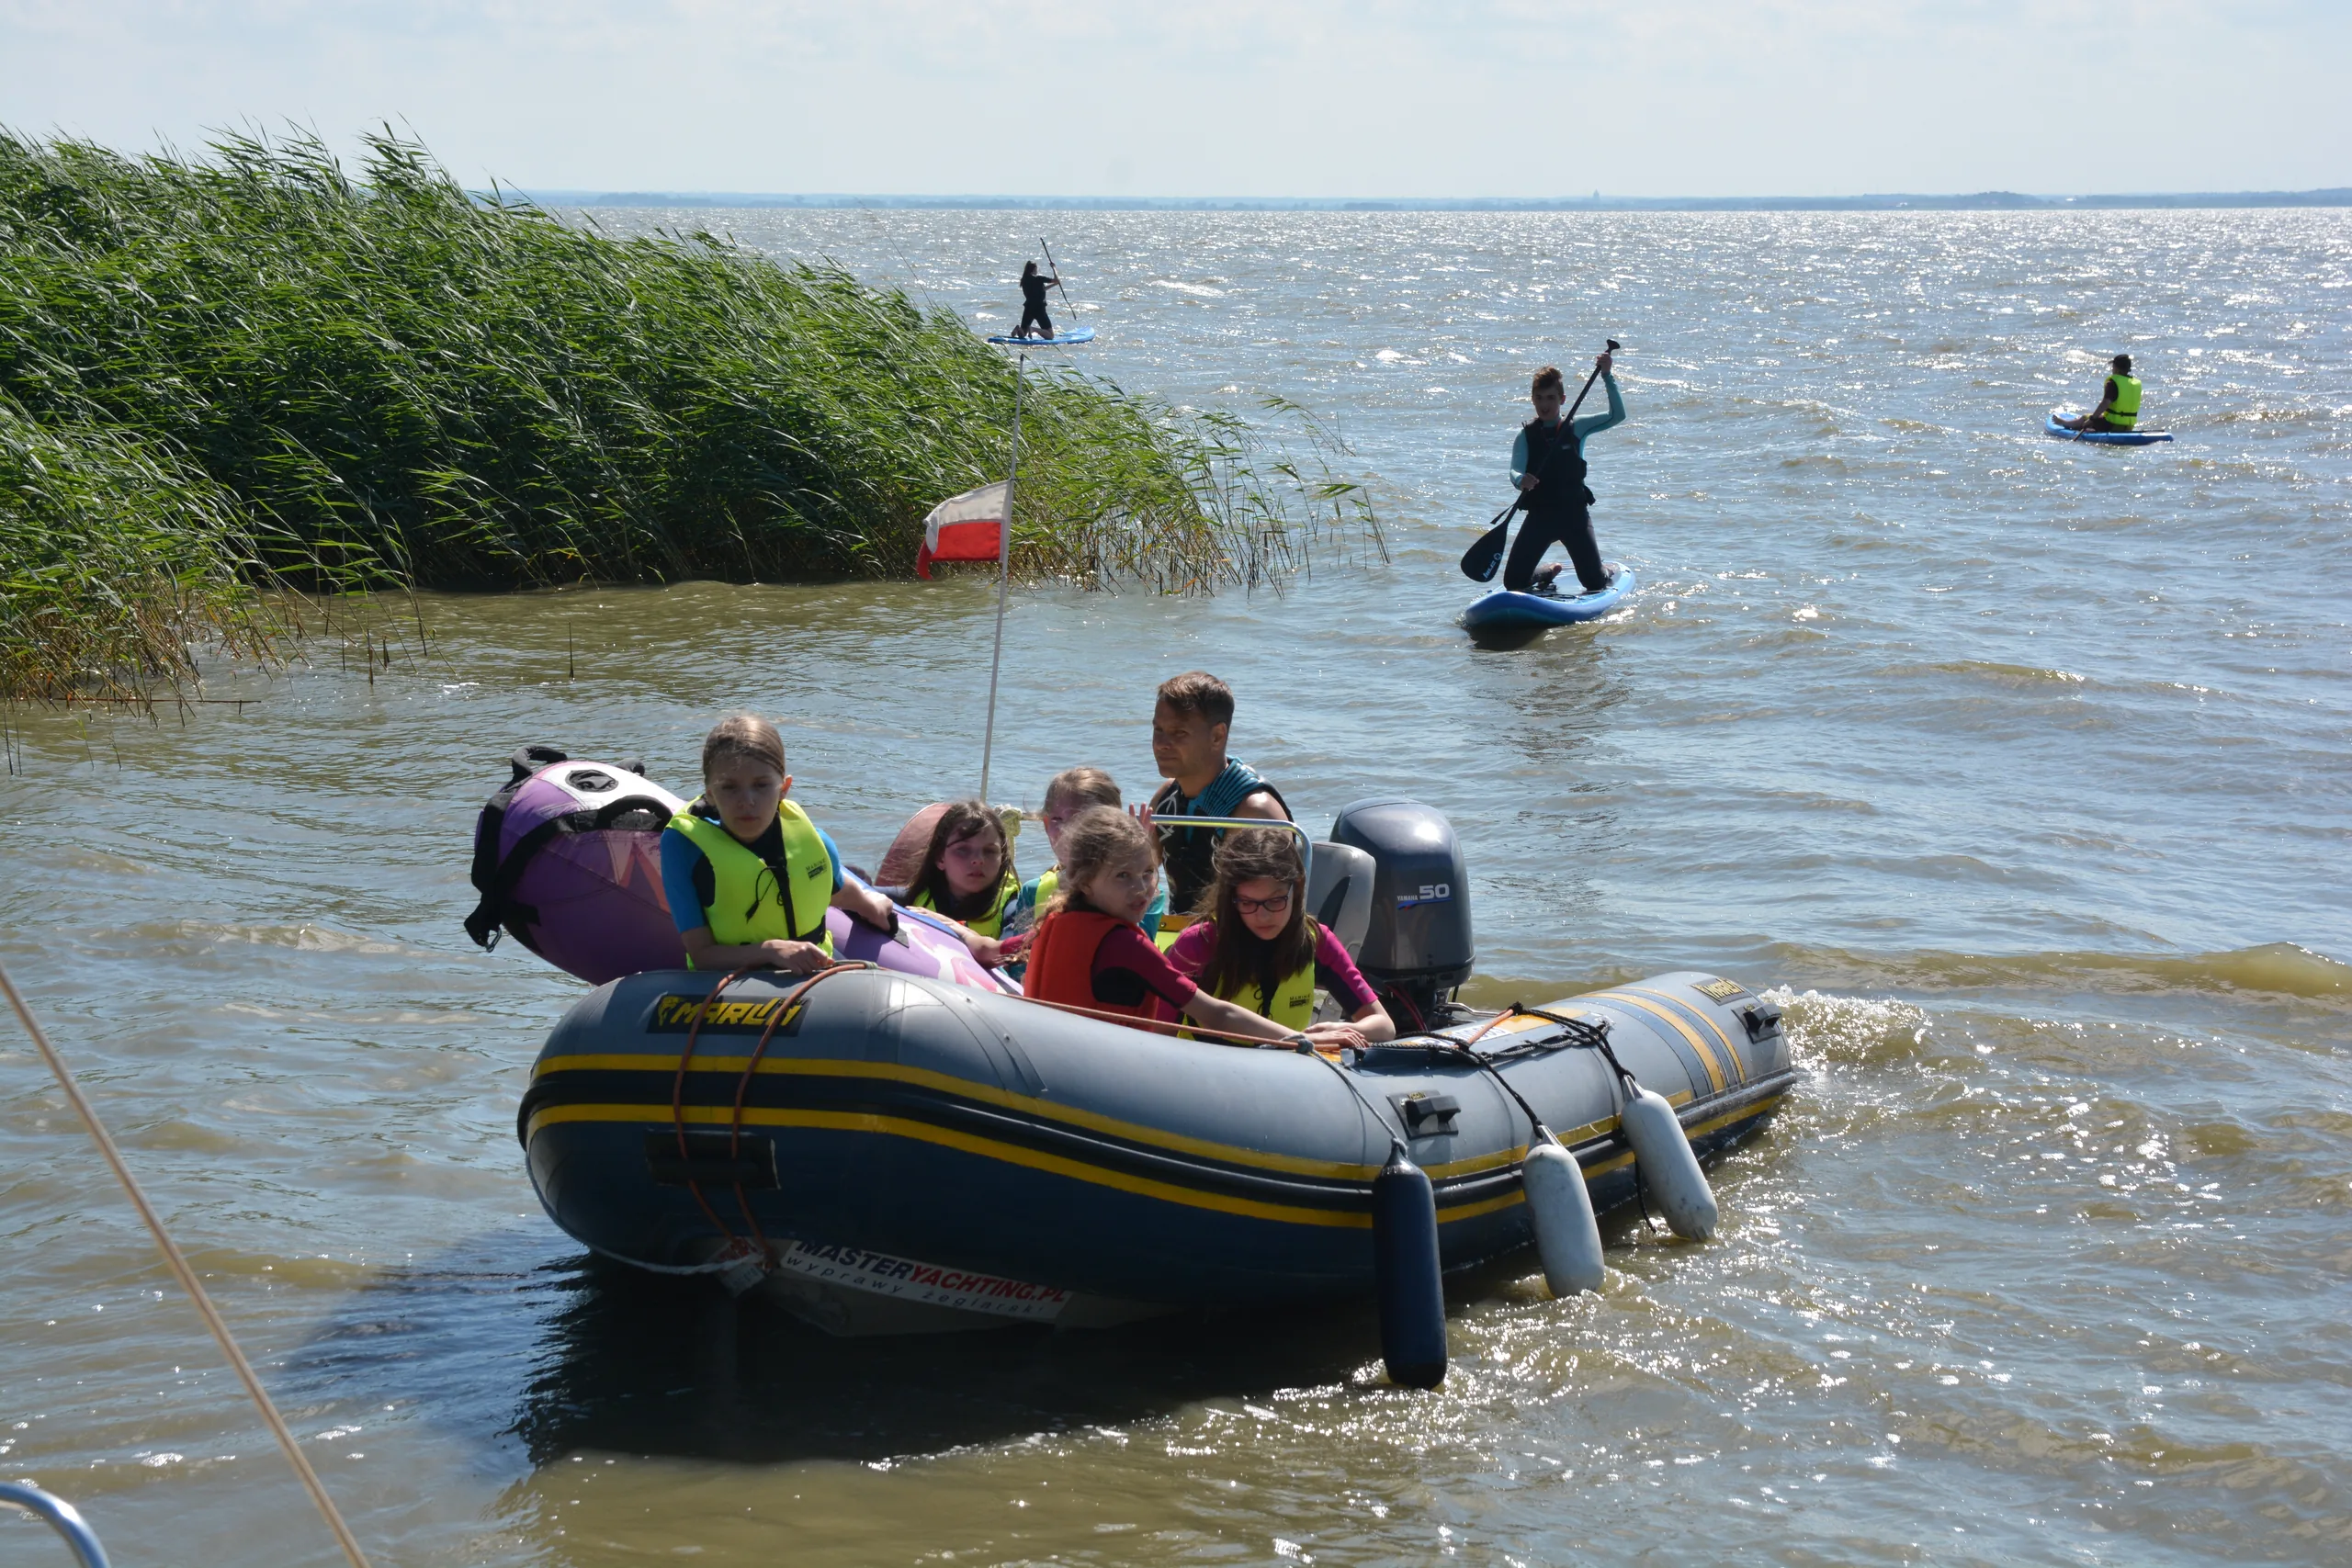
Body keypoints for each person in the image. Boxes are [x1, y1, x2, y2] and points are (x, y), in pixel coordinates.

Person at [662, 715, 997, 974]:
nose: (746, 801)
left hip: (814, 973)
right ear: (709, 792)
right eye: (729, 787)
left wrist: (868, 901)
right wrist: (771, 950)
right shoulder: (686, 850)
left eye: (761, 785)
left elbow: (833, 885)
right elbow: (702, 954)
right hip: (729, 981)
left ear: (784, 788)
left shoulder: (813, 841)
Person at [1022, 807, 1304, 1043]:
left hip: (1049, 1064)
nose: (1141, 888)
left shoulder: (1053, 920)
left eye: (1147, 872)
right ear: (1084, 882)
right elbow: (1216, 1014)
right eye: (1122, 876)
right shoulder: (1127, 946)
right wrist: (1301, 1040)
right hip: (1100, 1079)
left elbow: (996, 949)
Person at [1163, 828, 1396, 1049]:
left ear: (1297, 890)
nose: (1262, 916)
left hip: (1286, 1068)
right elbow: (1158, 1033)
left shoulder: (1318, 941)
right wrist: (1304, 1039)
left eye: (1275, 900)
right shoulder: (1197, 945)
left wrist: (1337, 1031)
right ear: (1230, 899)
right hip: (1208, 1070)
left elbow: (1384, 1026)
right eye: (1247, 902)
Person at [1146, 671, 1291, 922]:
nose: (1161, 743)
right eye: (1158, 730)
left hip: (1239, 949)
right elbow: (1136, 879)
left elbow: (1270, 919)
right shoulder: (1165, 799)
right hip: (1181, 939)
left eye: (1178, 733)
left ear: (1217, 736)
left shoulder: (1255, 813)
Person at [1001, 767, 1167, 970]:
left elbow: (1135, 957)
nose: (1067, 831)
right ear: (1045, 824)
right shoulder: (1032, 890)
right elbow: (1018, 967)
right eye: (1056, 820)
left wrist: (1133, 857)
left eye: (1081, 820)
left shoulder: (1147, 893)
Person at [1506, 352, 1624, 595]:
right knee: (1514, 582)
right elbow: (1515, 469)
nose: (1544, 404)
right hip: (1540, 517)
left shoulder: (1577, 426)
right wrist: (1521, 480)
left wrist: (1607, 376)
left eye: (1550, 398)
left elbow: (1617, 416)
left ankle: (1605, 569)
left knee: (1594, 583)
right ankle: (1547, 571)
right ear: (1532, 399)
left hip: (1574, 517)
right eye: (1539, 398)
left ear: (1562, 399)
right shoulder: (1526, 435)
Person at [888, 798, 1021, 938]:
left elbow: (1008, 955)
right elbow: (866, 892)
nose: (978, 860)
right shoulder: (915, 897)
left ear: (1001, 858)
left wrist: (950, 927)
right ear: (940, 858)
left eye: (989, 851)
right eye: (963, 850)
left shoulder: (1013, 908)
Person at [2060, 355, 2143, 433]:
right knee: (2100, 417)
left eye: (2113, 367)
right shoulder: (2136, 383)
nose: (2112, 369)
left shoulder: (2113, 382)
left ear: (2117, 369)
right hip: (2129, 426)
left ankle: (2066, 424)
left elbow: (2105, 403)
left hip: (2112, 425)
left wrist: (2092, 419)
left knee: (2085, 418)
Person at [1015, 259, 1059, 341]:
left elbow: (1041, 290)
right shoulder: (1039, 279)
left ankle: (1018, 328)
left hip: (1028, 308)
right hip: (1039, 309)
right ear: (1034, 269)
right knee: (1050, 336)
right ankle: (1033, 329)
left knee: (1023, 334)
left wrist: (1054, 285)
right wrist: (1054, 268)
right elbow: (1056, 280)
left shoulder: (1024, 280)